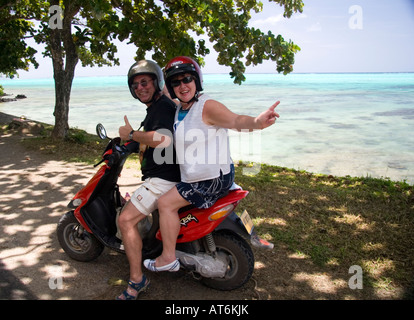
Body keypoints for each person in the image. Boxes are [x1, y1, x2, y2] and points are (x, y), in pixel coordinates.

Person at [143, 56, 280, 272]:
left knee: (165, 204)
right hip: (208, 174)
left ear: (197, 80)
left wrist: (257, 122)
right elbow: (162, 93)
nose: (182, 85)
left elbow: (235, 121)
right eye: (176, 82)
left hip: (208, 181)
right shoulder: (181, 107)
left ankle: (167, 258)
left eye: (187, 79)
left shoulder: (207, 106)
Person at [116, 60, 180, 300]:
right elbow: (153, 138)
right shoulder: (157, 108)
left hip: (162, 179)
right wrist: (130, 142)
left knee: (125, 220)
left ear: (156, 82)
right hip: (165, 176)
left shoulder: (162, 106)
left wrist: (132, 134)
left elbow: (163, 139)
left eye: (145, 82)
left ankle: (137, 280)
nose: (140, 88)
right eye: (135, 85)